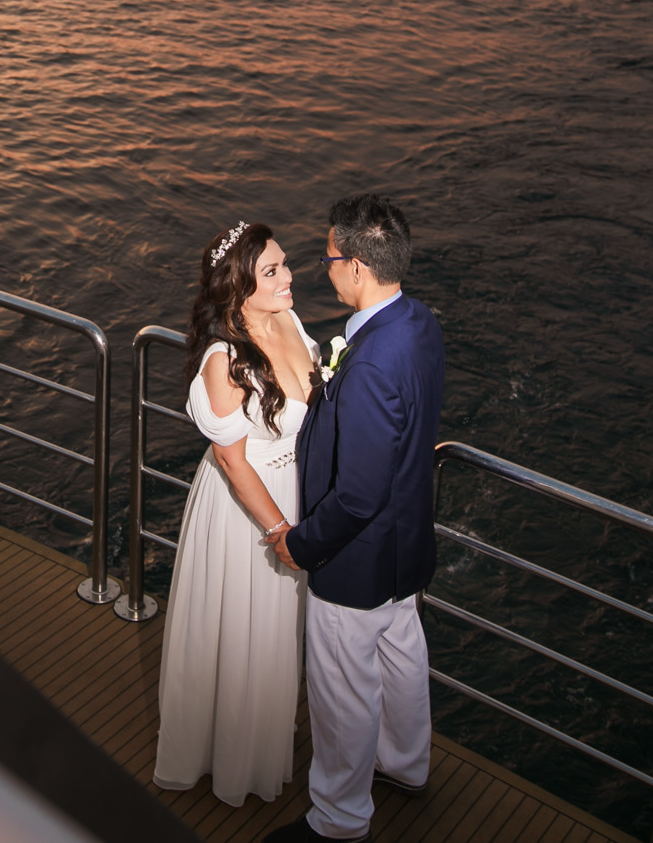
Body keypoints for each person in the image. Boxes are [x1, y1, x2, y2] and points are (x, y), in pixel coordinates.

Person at [268, 194, 445, 843]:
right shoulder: (419, 323)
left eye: (331, 257)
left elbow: (357, 494)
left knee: (343, 689)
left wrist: (303, 543)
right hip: (406, 546)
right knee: (402, 652)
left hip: (358, 557)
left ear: (359, 268)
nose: (327, 268)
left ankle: (338, 819)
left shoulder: (369, 362)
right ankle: (406, 761)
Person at [153, 221, 319, 806]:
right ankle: (222, 758)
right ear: (239, 288)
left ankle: (257, 740)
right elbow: (232, 460)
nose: (289, 276)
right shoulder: (223, 362)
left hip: (296, 494)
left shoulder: (292, 323)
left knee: (273, 633)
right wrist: (279, 531)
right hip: (247, 512)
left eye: (285, 264)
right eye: (272, 271)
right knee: (237, 626)